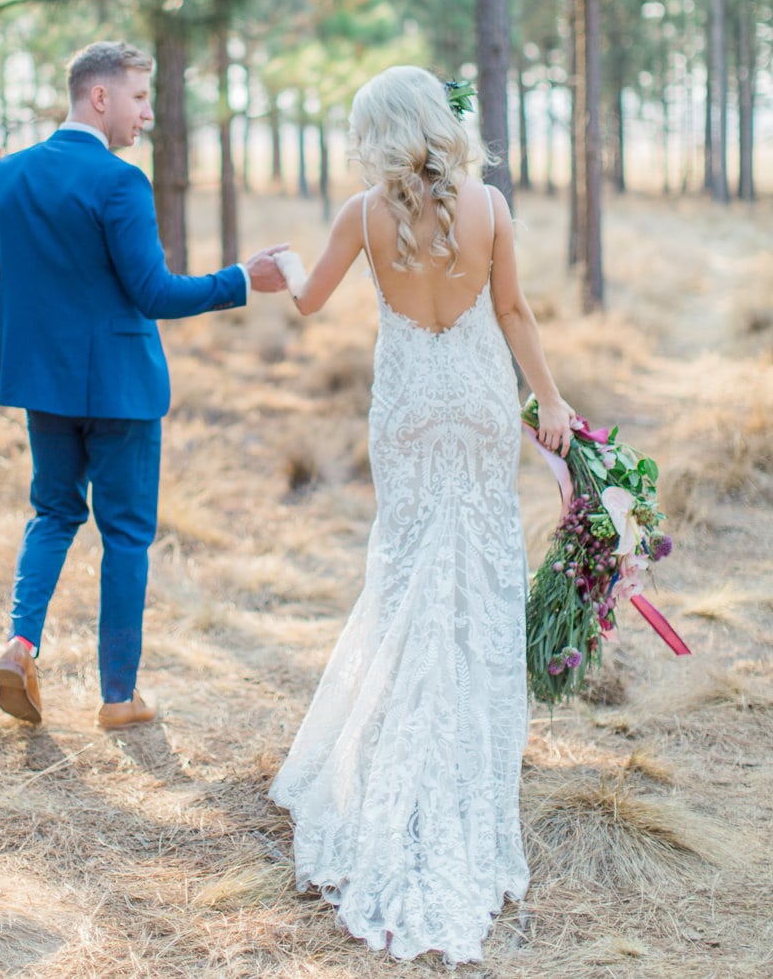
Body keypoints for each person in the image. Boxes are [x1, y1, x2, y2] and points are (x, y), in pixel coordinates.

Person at [269, 64, 573, 966]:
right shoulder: (490, 207)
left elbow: (308, 297)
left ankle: (396, 734)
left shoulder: (362, 215)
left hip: (406, 410)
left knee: (402, 574)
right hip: (478, 403)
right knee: (480, 575)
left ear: (378, 134)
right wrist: (548, 405)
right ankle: (469, 755)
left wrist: (283, 262)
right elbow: (512, 311)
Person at [0, 40, 287, 731]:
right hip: (123, 393)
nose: (147, 116)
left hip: (44, 392)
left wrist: (33, 358)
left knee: (52, 514)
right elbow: (154, 292)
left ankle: (20, 646)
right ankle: (118, 698)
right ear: (99, 97)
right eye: (140, 98)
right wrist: (241, 280)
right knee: (127, 537)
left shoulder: (6, 177)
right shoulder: (120, 183)